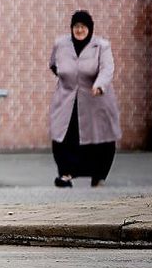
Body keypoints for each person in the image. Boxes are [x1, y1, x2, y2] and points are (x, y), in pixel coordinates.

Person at [48, 10, 122, 187]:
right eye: (76, 26)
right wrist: (67, 79)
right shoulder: (60, 44)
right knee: (63, 136)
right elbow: (53, 64)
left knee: (99, 138)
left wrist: (99, 84)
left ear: (90, 28)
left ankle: (98, 175)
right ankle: (65, 174)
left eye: (83, 27)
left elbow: (107, 69)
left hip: (95, 99)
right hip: (67, 99)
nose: (79, 30)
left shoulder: (101, 46)